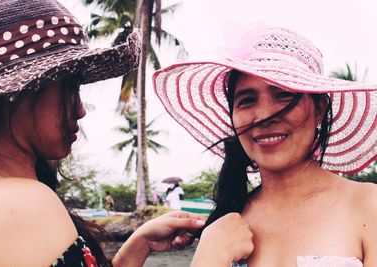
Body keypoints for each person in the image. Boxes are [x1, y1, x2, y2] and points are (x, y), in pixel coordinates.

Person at [0, 1, 254, 266]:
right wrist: (212, 256)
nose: (81, 108)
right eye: (70, 86)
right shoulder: (23, 202)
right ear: (17, 91)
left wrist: (140, 243)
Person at [153, 24, 377, 266]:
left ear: (320, 108)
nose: (264, 115)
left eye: (283, 94)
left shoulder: (368, 206)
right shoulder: (225, 224)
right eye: (247, 100)